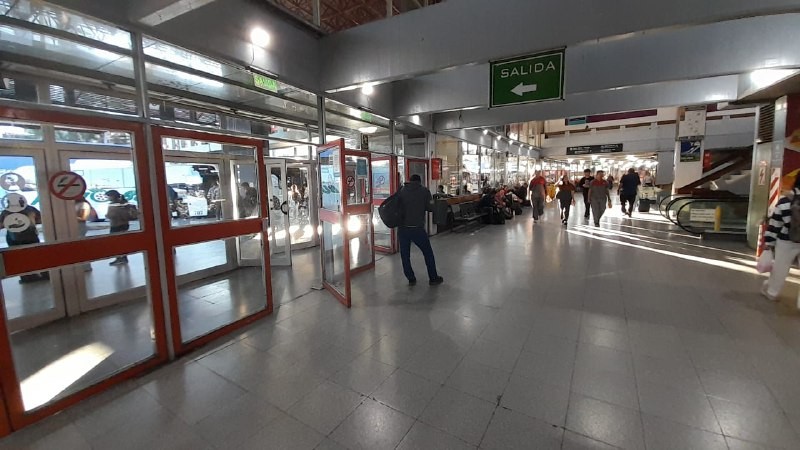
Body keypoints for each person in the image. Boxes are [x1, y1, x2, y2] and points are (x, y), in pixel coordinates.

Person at [397, 174, 443, 286]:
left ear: (410, 181)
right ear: (419, 181)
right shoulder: (424, 191)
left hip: (402, 229)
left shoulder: (402, 190)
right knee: (428, 253)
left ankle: (411, 278)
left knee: (405, 255)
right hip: (417, 228)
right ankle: (433, 278)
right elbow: (431, 208)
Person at [762, 176, 800, 301]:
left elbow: (775, 224)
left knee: (780, 268)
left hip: (786, 240)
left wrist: (769, 243)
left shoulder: (785, 201)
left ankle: (772, 292)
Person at [0, 197, 47, 283]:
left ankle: (27, 278)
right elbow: (41, 219)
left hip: (14, 238)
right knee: (36, 255)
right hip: (31, 236)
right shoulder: (30, 209)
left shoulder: (6, 212)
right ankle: (45, 274)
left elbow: (1, 224)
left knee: (19, 258)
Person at [105, 190, 134, 265]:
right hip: (125, 224)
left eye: (108, 196)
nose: (107, 198)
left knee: (115, 243)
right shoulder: (124, 203)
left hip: (116, 225)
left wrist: (107, 216)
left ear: (112, 196)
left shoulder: (113, 205)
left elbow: (112, 215)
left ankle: (118, 258)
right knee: (123, 242)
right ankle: (124, 258)